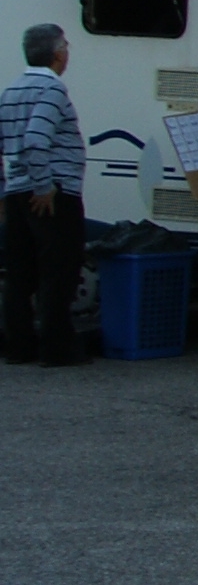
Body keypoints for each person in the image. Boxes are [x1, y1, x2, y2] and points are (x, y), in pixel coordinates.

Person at [1, 24, 84, 366]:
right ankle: (56, 349)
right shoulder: (52, 89)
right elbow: (37, 140)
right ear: (58, 53)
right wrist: (44, 186)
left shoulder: (11, 90)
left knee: (19, 274)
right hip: (52, 192)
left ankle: (18, 347)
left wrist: (5, 191)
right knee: (57, 272)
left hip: (16, 192)